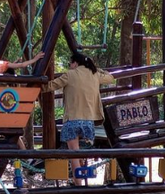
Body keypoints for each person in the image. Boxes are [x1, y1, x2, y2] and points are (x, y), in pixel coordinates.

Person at [42, 51, 114, 185]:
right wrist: (94, 67)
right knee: (80, 153)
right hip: (89, 121)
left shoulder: (69, 75)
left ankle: (78, 183)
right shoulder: (95, 74)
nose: (70, 65)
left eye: (70, 63)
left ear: (75, 63)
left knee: (73, 154)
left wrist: (36, 87)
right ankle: (82, 180)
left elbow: (51, 86)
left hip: (72, 121)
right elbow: (110, 77)